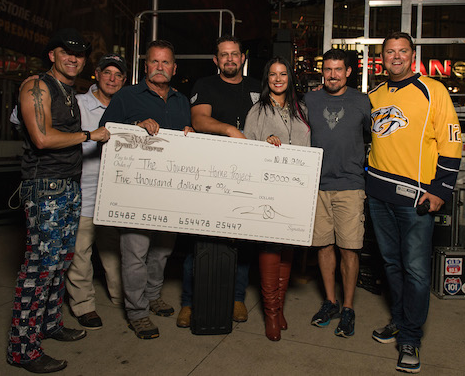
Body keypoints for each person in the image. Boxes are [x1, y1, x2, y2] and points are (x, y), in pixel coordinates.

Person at [7, 28, 111, 374]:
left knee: (61, 262)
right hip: (45, 187)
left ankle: (49, 325)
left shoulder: (69, 90)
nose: (73, 59)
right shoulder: (37, 86)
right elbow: (40, 137)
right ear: (51, 54)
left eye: (79, 55)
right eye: (66, 52)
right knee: (39, 268)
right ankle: (22, 348)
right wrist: (88, 135)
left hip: (70, 185)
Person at [367, 32, 462, 373]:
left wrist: (441, 190)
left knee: (417, 270)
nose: (395, 56)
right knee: (391, 264)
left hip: (417, 198)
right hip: (378, 194)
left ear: (412, 55)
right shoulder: (374, 94)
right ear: (382, 57)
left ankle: (410, 337)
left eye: (402, 51)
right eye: (389, 52)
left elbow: (453, 143)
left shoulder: (433, 90)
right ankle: (399, 318)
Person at [98, 40, 191, 340]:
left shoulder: (181, 100)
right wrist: (136, 125)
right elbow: (104, 132)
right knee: (135, 252)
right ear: (145, 66)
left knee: (163, 250)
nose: (160, 67)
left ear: (174, 68)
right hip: (135, 192)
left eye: (166, 63)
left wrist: (191, 134)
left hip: (171, 192)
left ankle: (152, 297)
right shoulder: (126, 96)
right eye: (155, 62)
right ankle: (137, 312)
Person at [177, 34, 260, 328]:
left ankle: (237, 296)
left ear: (242, 57)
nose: (229, 59)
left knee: (244, 239)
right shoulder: (205, 85)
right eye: (224, 55)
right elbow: (199, 120)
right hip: (210, 174)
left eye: (234, 54)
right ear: (216, 60)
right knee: (198, 239)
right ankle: (188, 302)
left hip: (247, 175)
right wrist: (229, 130)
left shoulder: (256, 87)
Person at [304, 49, 371, 338]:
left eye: (338, 69)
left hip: (350, 186)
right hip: (317, 186)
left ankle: (348, 307)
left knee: (349, 249)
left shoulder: (362, 101)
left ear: (348, 72)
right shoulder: (310, 99)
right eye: (328, 69)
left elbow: (372, 137)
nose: (332, 74)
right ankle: (330, 301)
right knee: (323, 246)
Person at [244, 56, 310, 341]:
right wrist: (264, 144)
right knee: (270, 249)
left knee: (287, 251)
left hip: (296, 192)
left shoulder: (302, 110)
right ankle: (270, 314)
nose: (278, 79)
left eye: (283, 74)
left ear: (290, 78)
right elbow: (246, 149)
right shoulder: (257, 111)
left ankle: (279, 307)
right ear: (266, 79)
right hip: (268, 191)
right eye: (273, 74)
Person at [65, 54, 127, 330]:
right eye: (108, 73)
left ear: (124, 80)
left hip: (114, 193)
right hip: (84, 190)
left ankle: (120, 297)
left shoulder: (127, 107)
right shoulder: (77, 104)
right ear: (97, 75)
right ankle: (84, 305)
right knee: (80, 252)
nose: (112, 79)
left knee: (113, 251)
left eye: (118, 75)